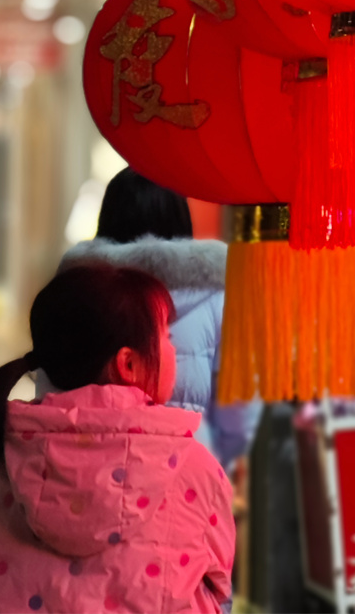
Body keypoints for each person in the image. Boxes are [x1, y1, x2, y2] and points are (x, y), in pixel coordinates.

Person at [0, 264, 234, 614]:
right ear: (128, 364)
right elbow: (220, 580)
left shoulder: (7, 455)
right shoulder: (192, 466)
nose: (173, 348)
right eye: (166, 337)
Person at [55, 167, 261, 474]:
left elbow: (52, 391)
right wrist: (217, 459)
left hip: (84, 475)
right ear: (182, 220)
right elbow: (239, 413)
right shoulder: (220, 297)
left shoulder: (74, 292)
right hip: (185, 476)